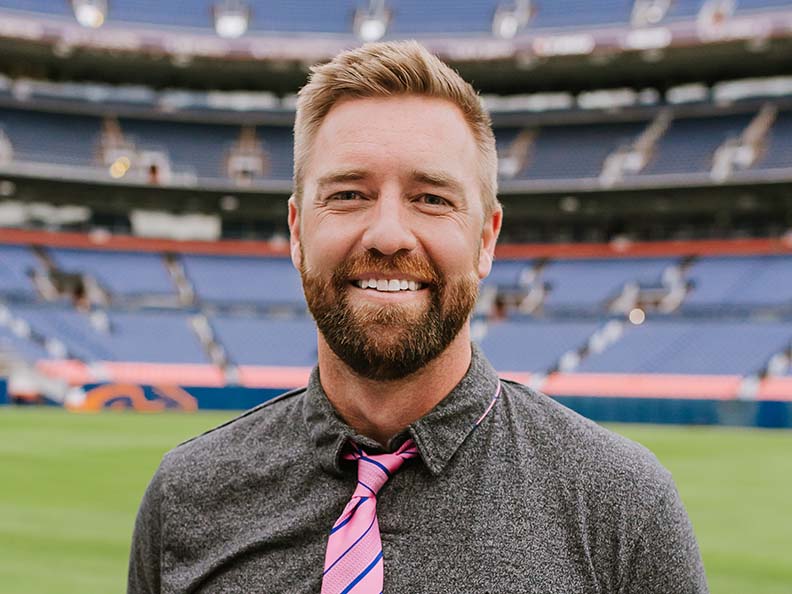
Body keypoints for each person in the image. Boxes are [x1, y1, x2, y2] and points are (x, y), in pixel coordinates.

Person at [128, 41, 708, 594]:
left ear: (486, 238)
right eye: (349, 194)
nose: (386, 235)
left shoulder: (621, 504)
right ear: (298, 231)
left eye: (431, 198)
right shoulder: (186, 495)